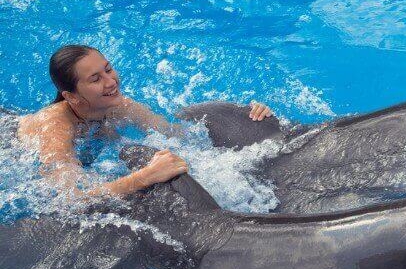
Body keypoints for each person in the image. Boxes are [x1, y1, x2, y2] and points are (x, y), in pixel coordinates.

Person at [17, 44, 272, 199]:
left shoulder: (121, 107)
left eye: (108, 69)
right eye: (95, 79)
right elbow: (69, 198)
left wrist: (245, 120)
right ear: (71, 96)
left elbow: (182, 136)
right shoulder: (54, 127)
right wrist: (145, 176)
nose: (111, 82)